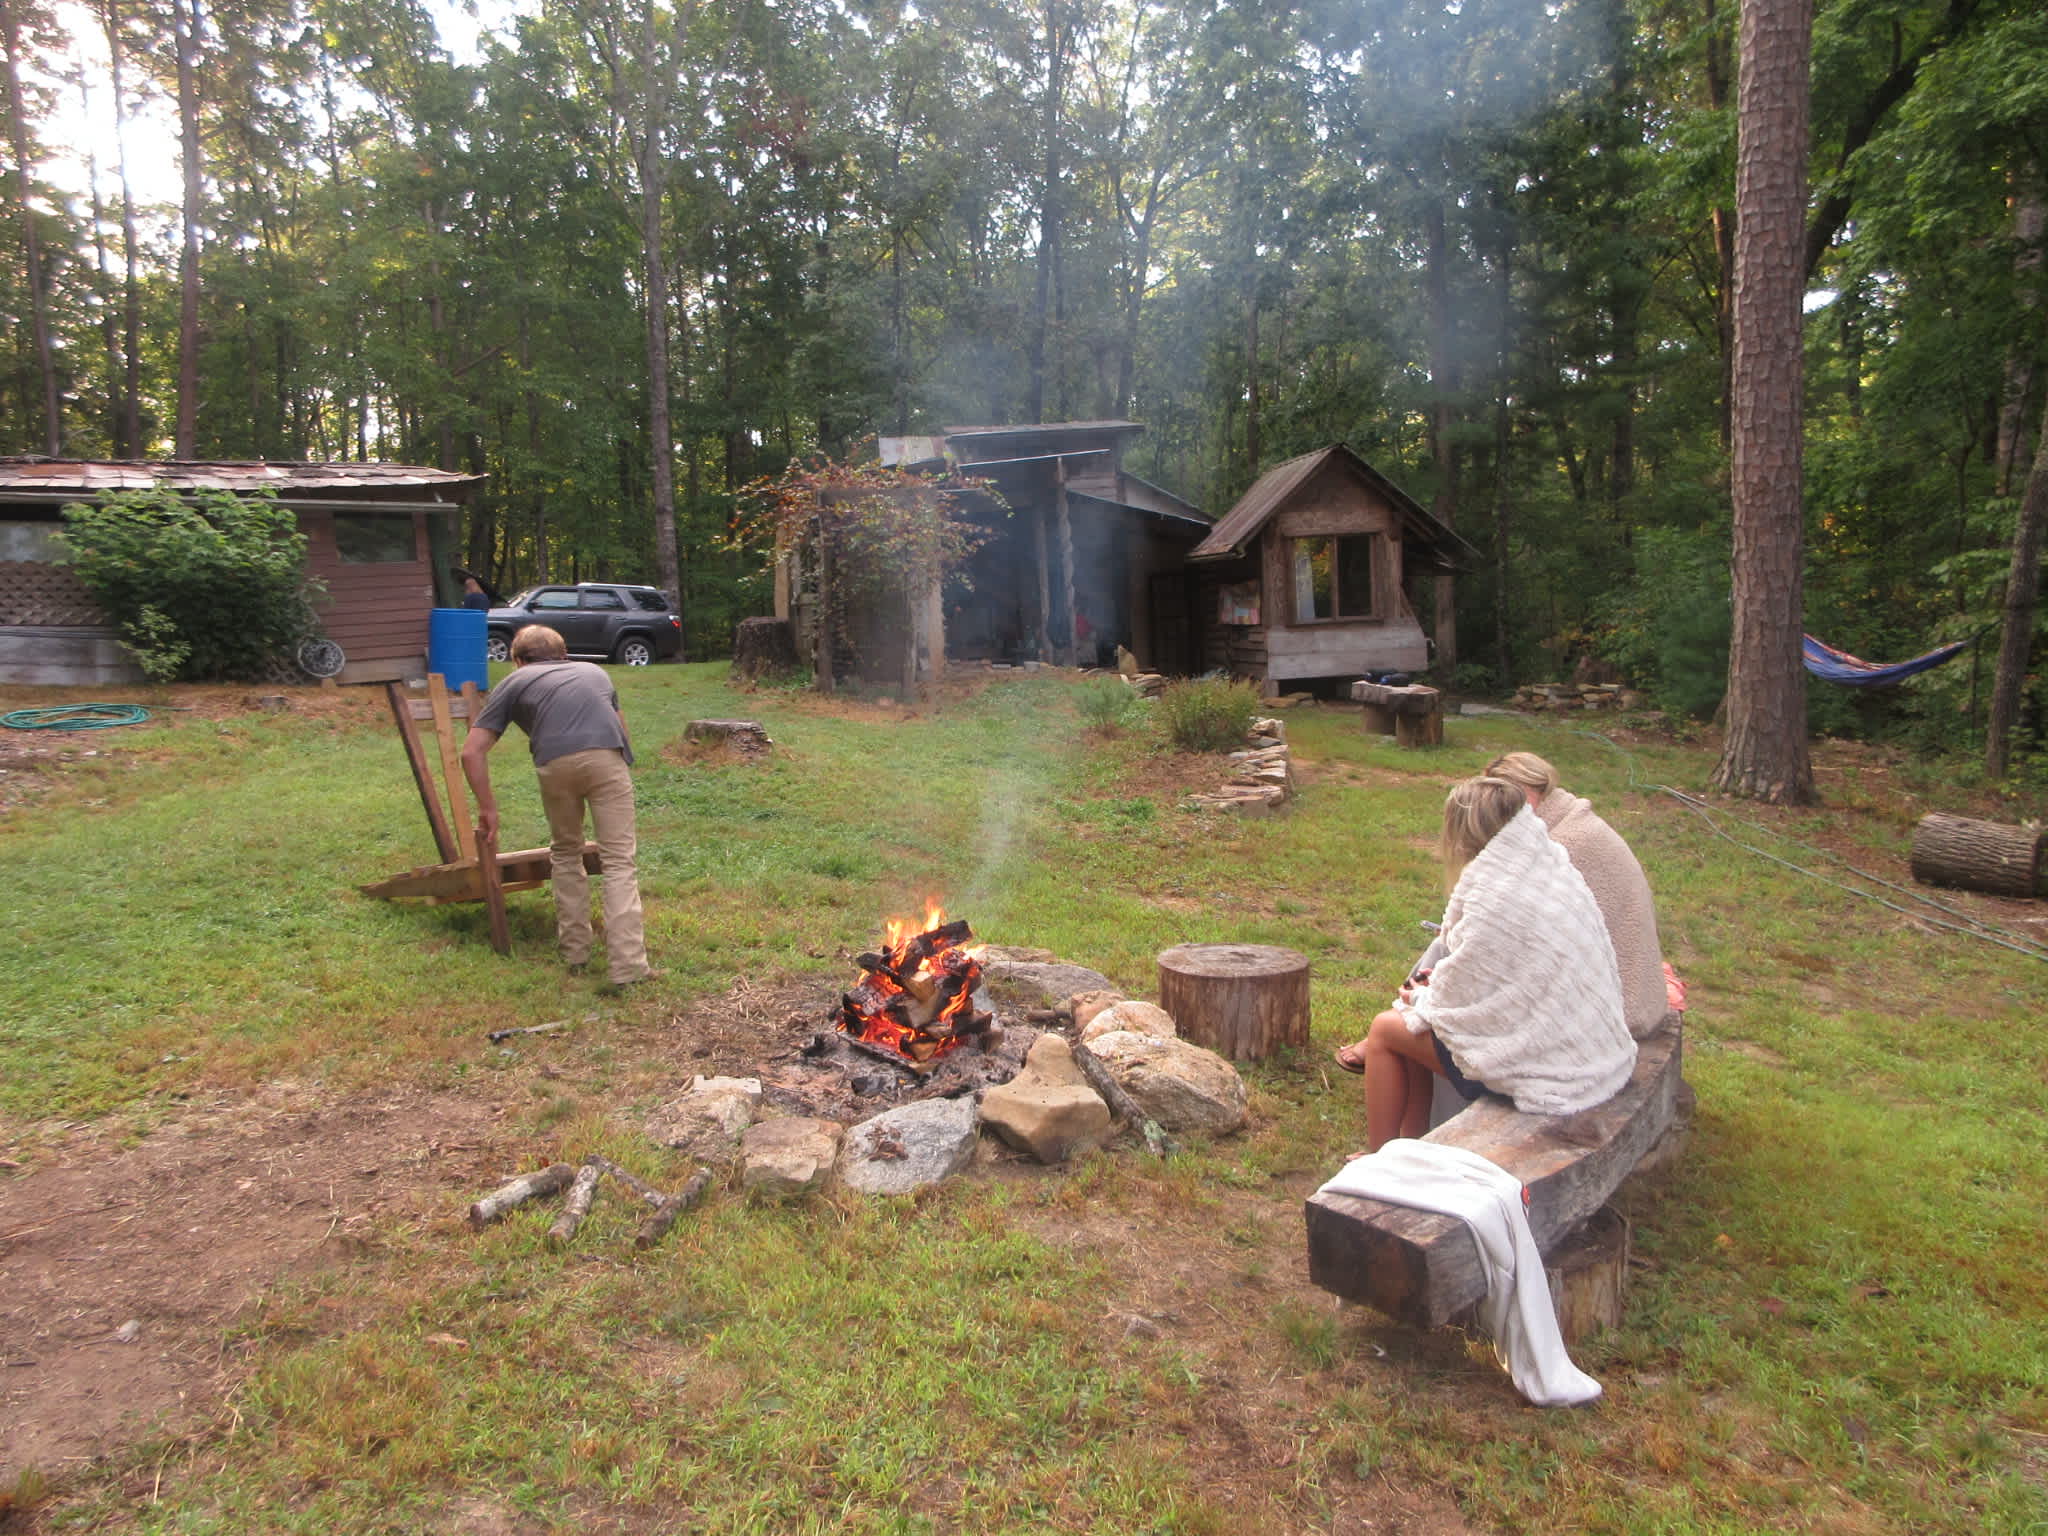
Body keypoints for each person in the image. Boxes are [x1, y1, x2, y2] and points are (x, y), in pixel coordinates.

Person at [1341, 776, 1636, 1151]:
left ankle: (1376, 1157)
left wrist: (1424, 998)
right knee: (1412, 1022)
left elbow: (1469, 991)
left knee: (1386, 1029)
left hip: (1545, 1065)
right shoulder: (1551, 868)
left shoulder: (1494, 895)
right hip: (1582, 1045)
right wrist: (1431, 994)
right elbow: (1499, 975)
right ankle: (1409, 1144)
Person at [461, 624, 655, 989]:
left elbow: (472, 752)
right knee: (618, 861)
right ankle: (628, 968)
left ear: (518, 660)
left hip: (554, 765)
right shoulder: (594, 671)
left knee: (566, 853)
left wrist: (487, 808)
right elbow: (621, 729)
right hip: (606, 759)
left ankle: (575, 953)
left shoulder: (514, 682)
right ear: (563, 654)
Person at [1484, 750, 1676, 1038]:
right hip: (1637, 992)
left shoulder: (1561, 845)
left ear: (1537, 790)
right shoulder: (1571, 820)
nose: (1505, 807)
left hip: (1619, 1010)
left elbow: (1521, 938)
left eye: (1513, 796)